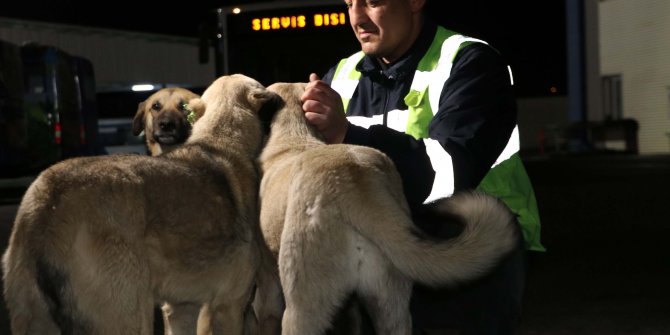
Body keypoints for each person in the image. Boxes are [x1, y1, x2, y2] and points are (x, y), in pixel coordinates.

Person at [300, 0, 545, 334]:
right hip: (384, 246)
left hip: (473, 244)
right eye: (349, 3)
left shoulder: (471, 62)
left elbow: (449, 175)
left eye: (373, 3)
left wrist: (346, 133)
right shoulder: (341, 75)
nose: (357, 19)